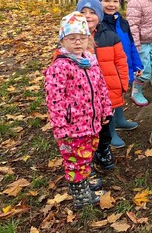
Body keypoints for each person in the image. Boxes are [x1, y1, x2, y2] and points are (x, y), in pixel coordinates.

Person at [44, 12, 112, 209]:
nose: (77, 42)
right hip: (72, 126)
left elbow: (100, 87)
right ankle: (81, 194)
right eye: (71, 38)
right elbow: (54, 99)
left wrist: (105, 109)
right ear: (62, 40)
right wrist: (60, 126)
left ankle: (80, 182)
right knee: (75, 158)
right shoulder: (60, 66)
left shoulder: (90, 61)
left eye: (82, 38)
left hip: (91, 122)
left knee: (87, 154)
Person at [76, 0, 129, 162]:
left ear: (99, 15)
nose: (88, 16)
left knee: (107, 119)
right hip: (84, 94)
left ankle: (104, 148)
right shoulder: (73, 38)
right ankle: (88, 154)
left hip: (108, 88)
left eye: (92, 12)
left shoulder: (110, 36)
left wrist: (122, 84)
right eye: (83, 12)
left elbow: (121, 61)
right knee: (89, 124)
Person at [96, 0, 142, 148]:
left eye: (115, 0)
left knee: (121, 92)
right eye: (106, 0)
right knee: (110, 99)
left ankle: (120, 120)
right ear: (98, 1)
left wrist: (137, 64)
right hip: (109, 70)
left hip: (124, 66)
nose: (111, 4)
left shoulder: (122, 22)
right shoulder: (99, 26)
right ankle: (111, 130)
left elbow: (131, 44)